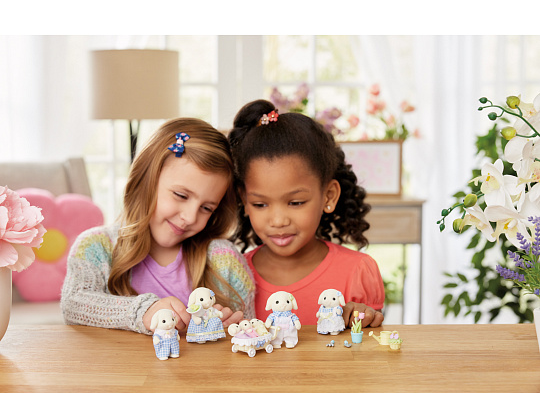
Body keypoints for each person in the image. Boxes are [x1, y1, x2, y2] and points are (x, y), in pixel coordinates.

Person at [61, 118, 255, 335]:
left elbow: (250, 333)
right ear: (147, 180)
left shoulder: (224, 260)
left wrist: (229, 332)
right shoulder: (95, 247)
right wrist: (143, 311)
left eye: (206, 208)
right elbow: (73, 304)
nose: (190, 217)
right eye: (181, 195)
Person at [228, 99, 384, 328]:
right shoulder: (232, 276)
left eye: (296, 202)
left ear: (328, 196)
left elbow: (370, 342)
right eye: (260, 204)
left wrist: (363, 317)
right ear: (244, 200)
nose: (278, 221)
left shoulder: (358, 271)